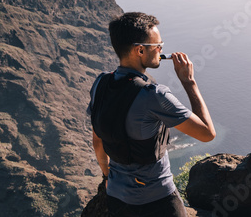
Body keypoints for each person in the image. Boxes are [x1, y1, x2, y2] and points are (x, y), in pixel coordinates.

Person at [87, 12, 216, 217]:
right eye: (158, 45)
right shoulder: (154, 95)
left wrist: (107, 176)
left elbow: (97, 142)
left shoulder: (100, 84)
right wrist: (189, 82)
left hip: (117, 198)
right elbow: (207, 133)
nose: (161, 49)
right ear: (140, 50)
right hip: (158, 201)